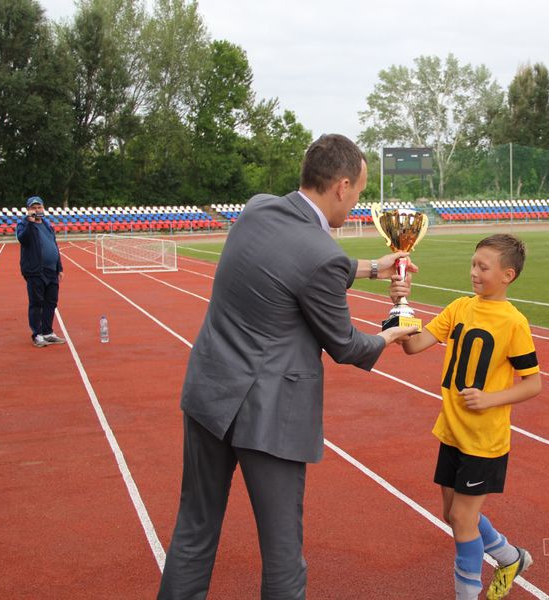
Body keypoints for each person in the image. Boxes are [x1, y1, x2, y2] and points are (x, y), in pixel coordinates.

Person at [157, 134, 418, 600]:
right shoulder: (322, 256)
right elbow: (348, 347)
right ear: (341, 186)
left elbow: (298, 261)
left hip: (209, 395)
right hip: (268, 416)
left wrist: (376, 268)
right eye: (358, 190)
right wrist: (395, 332)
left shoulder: (258, 208)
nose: (358, 202)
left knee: (193, 531)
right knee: (283, 556)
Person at [401, 234, 542, 600]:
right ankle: (510, 558)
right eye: (473, 264)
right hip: (451, 431)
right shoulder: (460, 307)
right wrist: (401, 305)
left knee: (463, 522)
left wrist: (491, 398)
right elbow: (414, 345)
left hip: (484, 438)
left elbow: (533, 383)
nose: (474, 273)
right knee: (453, 515)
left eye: (483, 267)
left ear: (507, 275)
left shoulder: (513, 322)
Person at [15, 196, 66, 347]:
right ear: (28, 210)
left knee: (51, 302)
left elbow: (53, 245)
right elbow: (23, 239)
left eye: (39, 207)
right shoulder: (23, 224)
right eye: (33, 208)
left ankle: (48, 332)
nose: (37, 210)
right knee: (37, 303)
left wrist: (59, 267)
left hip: (51, 271)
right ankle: (37, 334)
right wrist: (30, 222)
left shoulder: (46, 224)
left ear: (43, 208)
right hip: (35, 270)